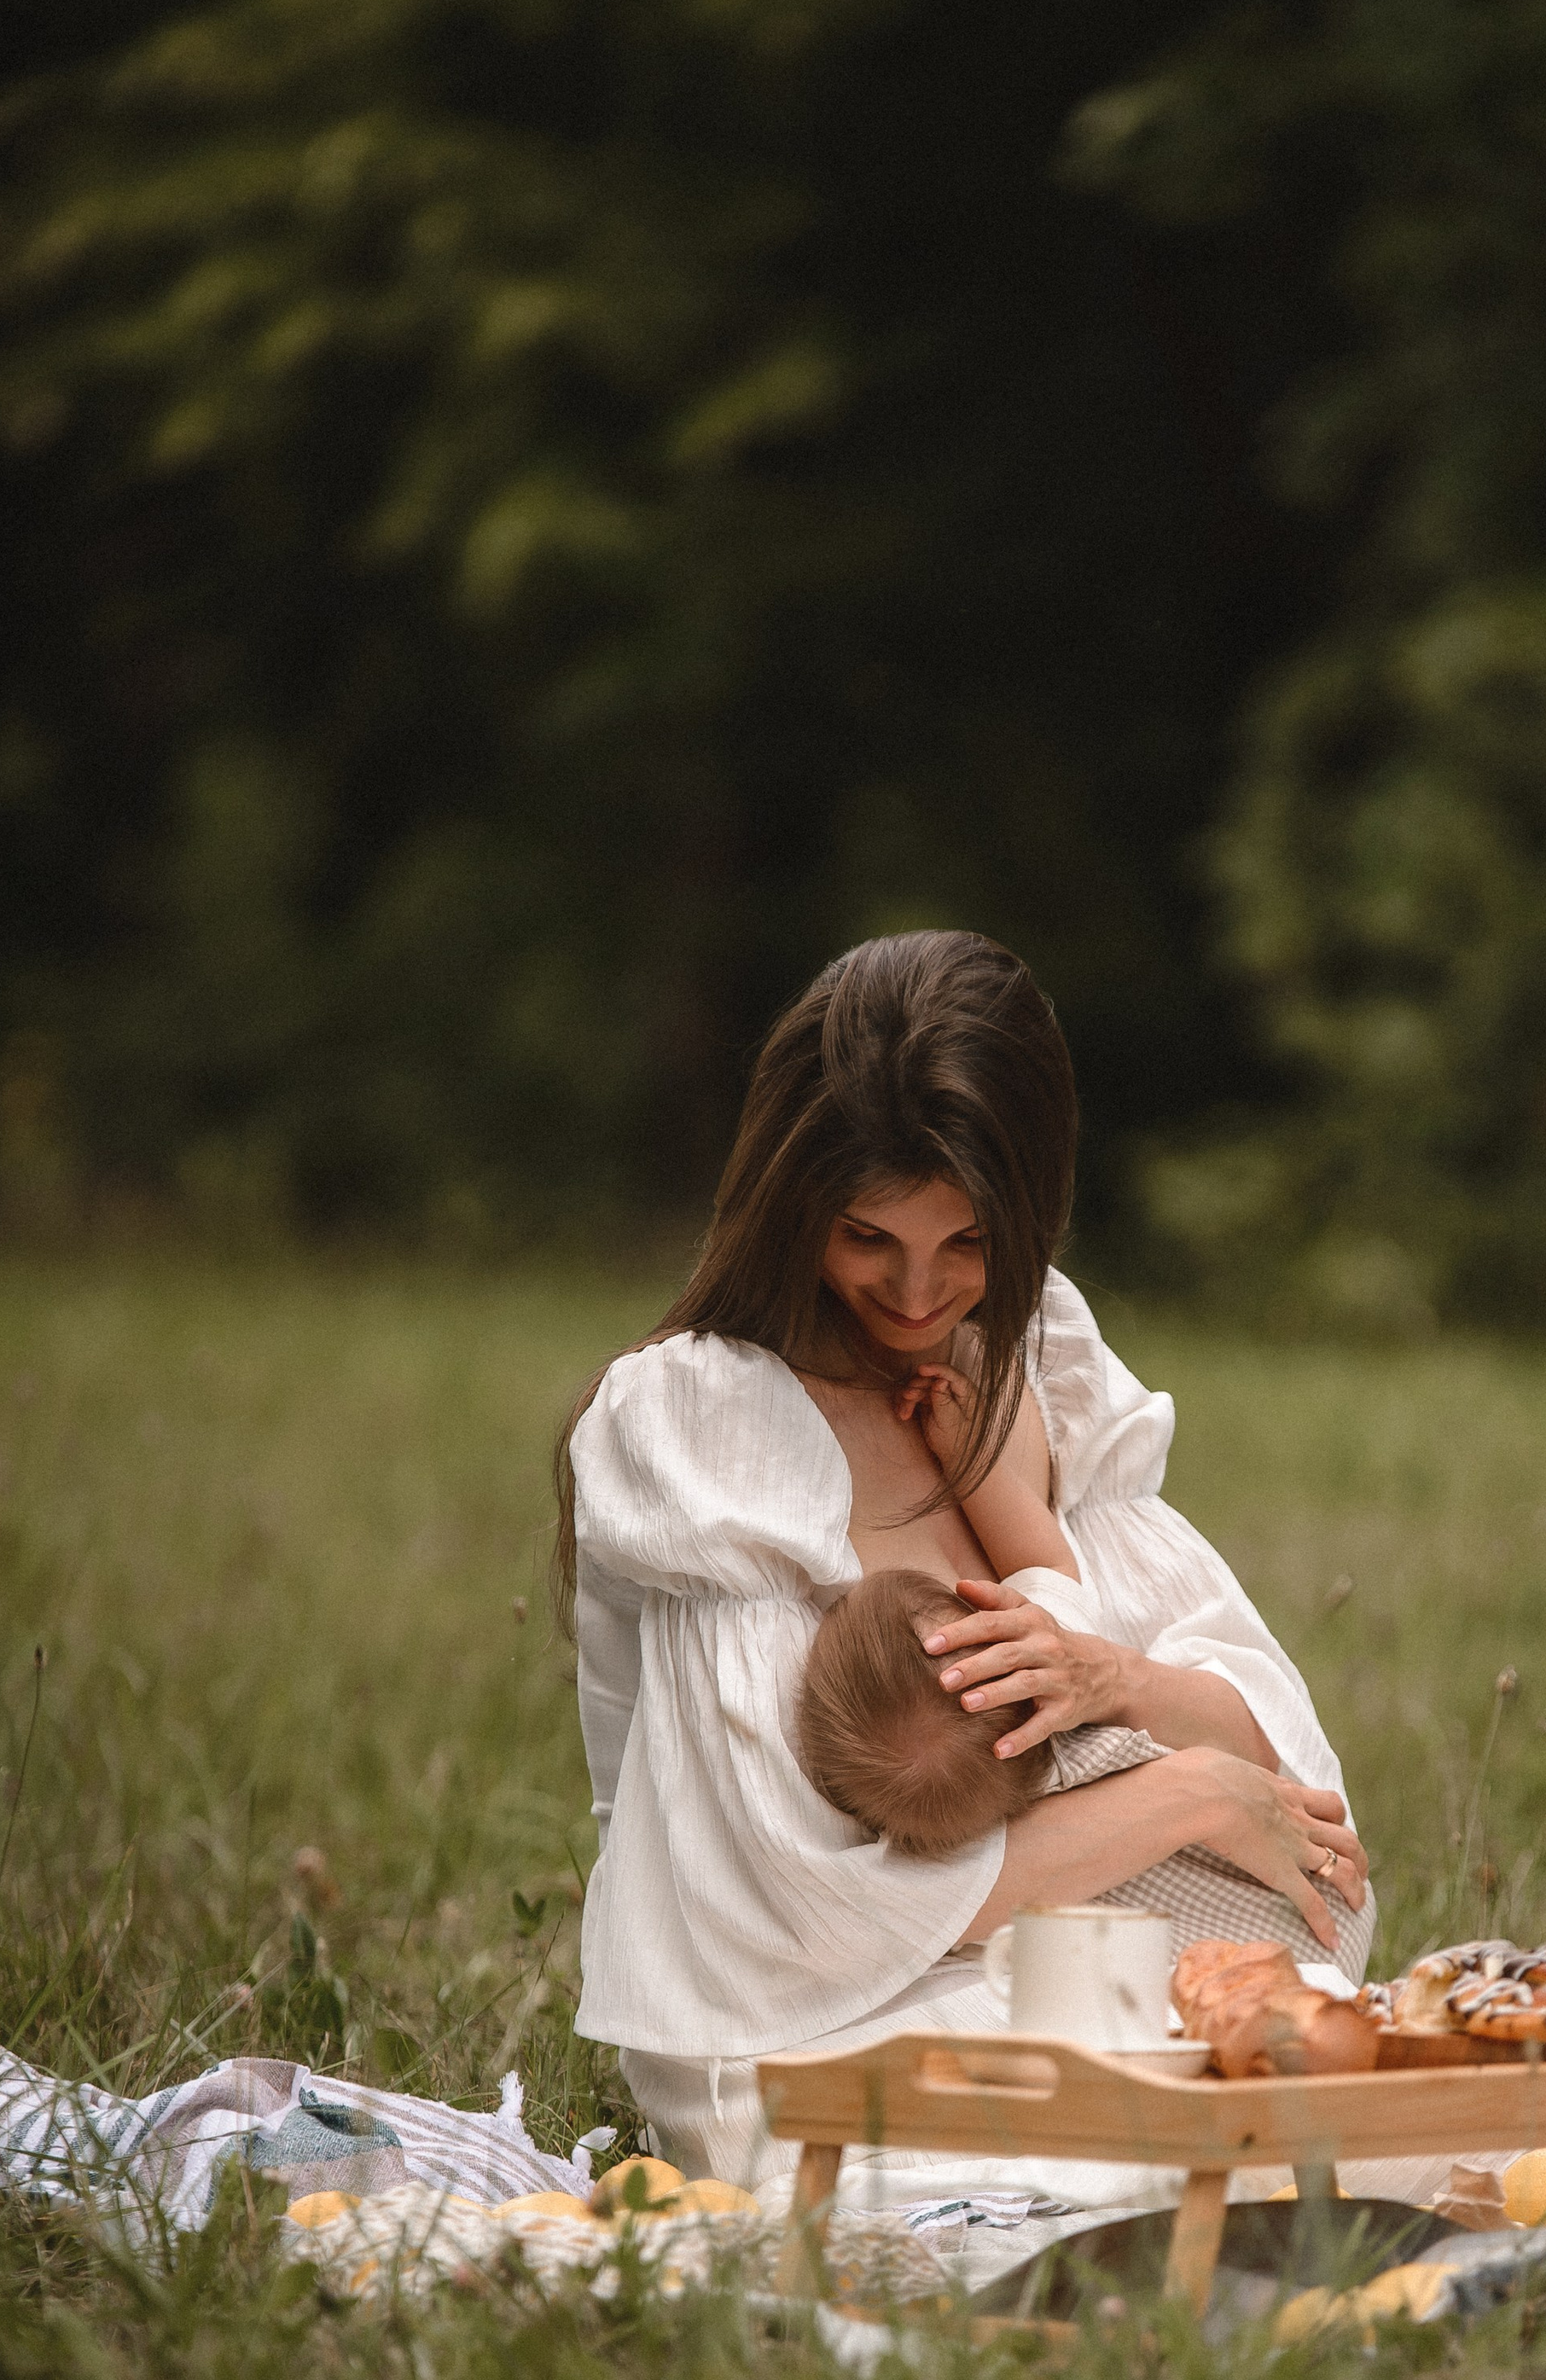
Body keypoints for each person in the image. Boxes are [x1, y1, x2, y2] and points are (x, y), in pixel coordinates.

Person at [555, 927, 1371, 2197]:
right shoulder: (708, 1428)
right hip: (825, 2031)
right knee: (1148, 2178)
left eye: (968, 1243)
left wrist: (1131, 1692)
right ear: (789, 1202)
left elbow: (1283, 1767)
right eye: (867, 1237)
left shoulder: (1028, 1361)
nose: (916, 1293)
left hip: (1089, 1966)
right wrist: (1187, 1801)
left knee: (1397, 2095)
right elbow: (788, 1906)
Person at [795, 1562, 1376, 1975]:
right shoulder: (1080, 1714)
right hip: (1323, 1917)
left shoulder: (968, 1851)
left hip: (1252, 1964)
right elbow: (1042, 1550)